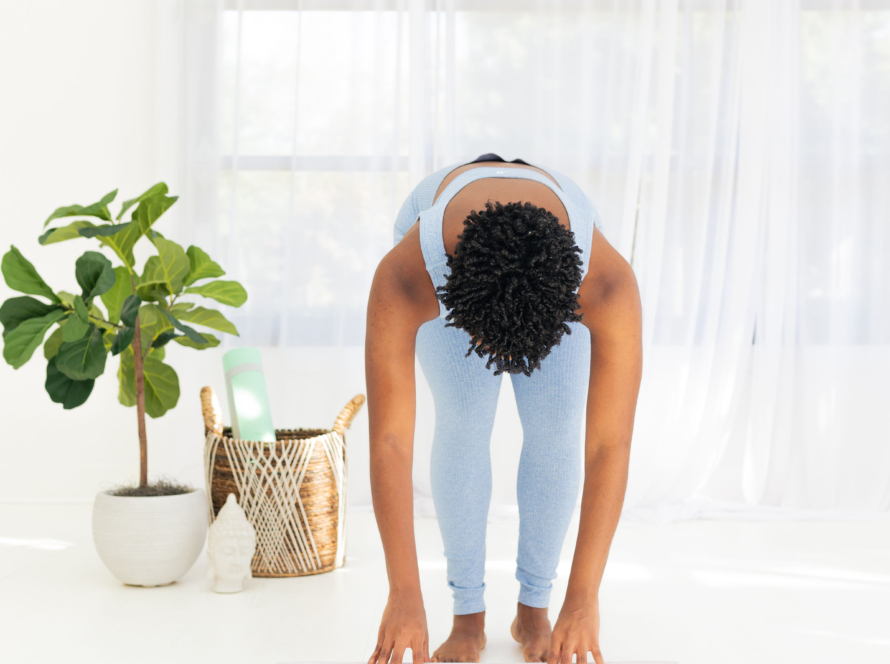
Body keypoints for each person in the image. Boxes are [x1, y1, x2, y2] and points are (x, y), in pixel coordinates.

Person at [365, 153, 642, 664]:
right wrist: (403, 592)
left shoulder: (604, 283)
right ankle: (467, 616)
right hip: (450, 253)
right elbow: (390, 440)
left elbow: (608, 443)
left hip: (550, 265)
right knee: (464, 422)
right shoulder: (410, 276)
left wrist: (584, 597)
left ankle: (534, 608)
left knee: (556, 426)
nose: (509, 366)